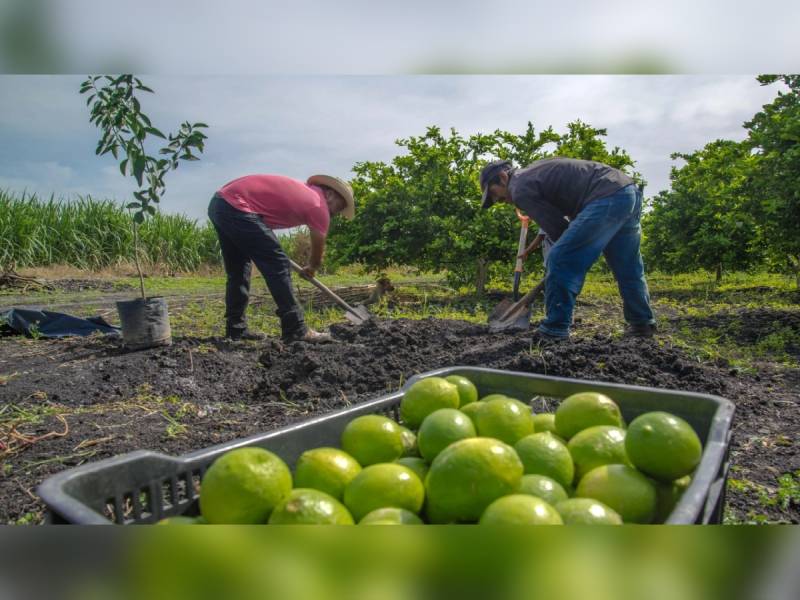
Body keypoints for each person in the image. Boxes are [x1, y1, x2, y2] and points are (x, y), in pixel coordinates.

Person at [480, 157, 656, 340]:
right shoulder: (533, 173)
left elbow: (557, 229)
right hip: (626, 192)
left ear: (502, 177)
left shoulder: (519, 188)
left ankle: (554, 330)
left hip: (605, 197)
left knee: (560, 258)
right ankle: (642, 324)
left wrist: (567, 259)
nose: (499, 200)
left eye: (494, 194)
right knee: (627, 266)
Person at [208, 173, 355, 343]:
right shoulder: (319, 205)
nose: (337, 212)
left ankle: (236, 329)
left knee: (239, 269)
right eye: (340, 205)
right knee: (277, 264)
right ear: (330, 193)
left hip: (220, 203)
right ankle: (296, 329)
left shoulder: (306, 193)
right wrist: (312, 268)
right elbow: (318, 249)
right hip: (237, 205)